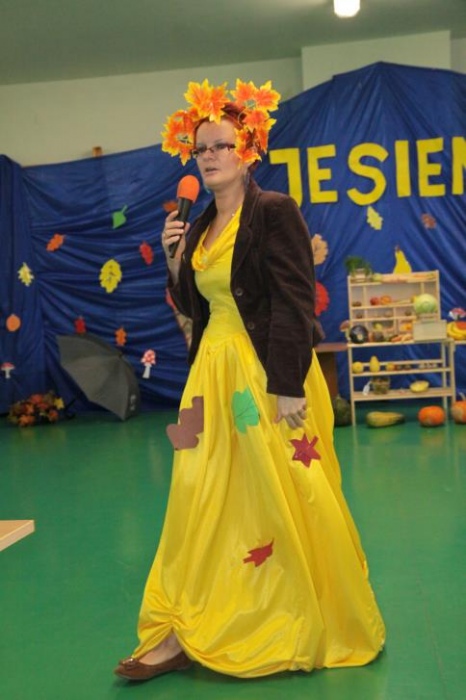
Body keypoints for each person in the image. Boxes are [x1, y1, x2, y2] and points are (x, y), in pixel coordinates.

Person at [114, 79, 385, 681]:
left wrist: (287, 384)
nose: (208, 156)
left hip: (264, 376)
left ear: (248, 151)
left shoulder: (272, 211)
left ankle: (299, 616)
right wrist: (174, 261)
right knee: (198, 497)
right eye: (200, 148)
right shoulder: (199, 224)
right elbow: (196, 305)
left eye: (221, 145)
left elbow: (293, 299)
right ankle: (185, 624)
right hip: (210, 380)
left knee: (282, 492)